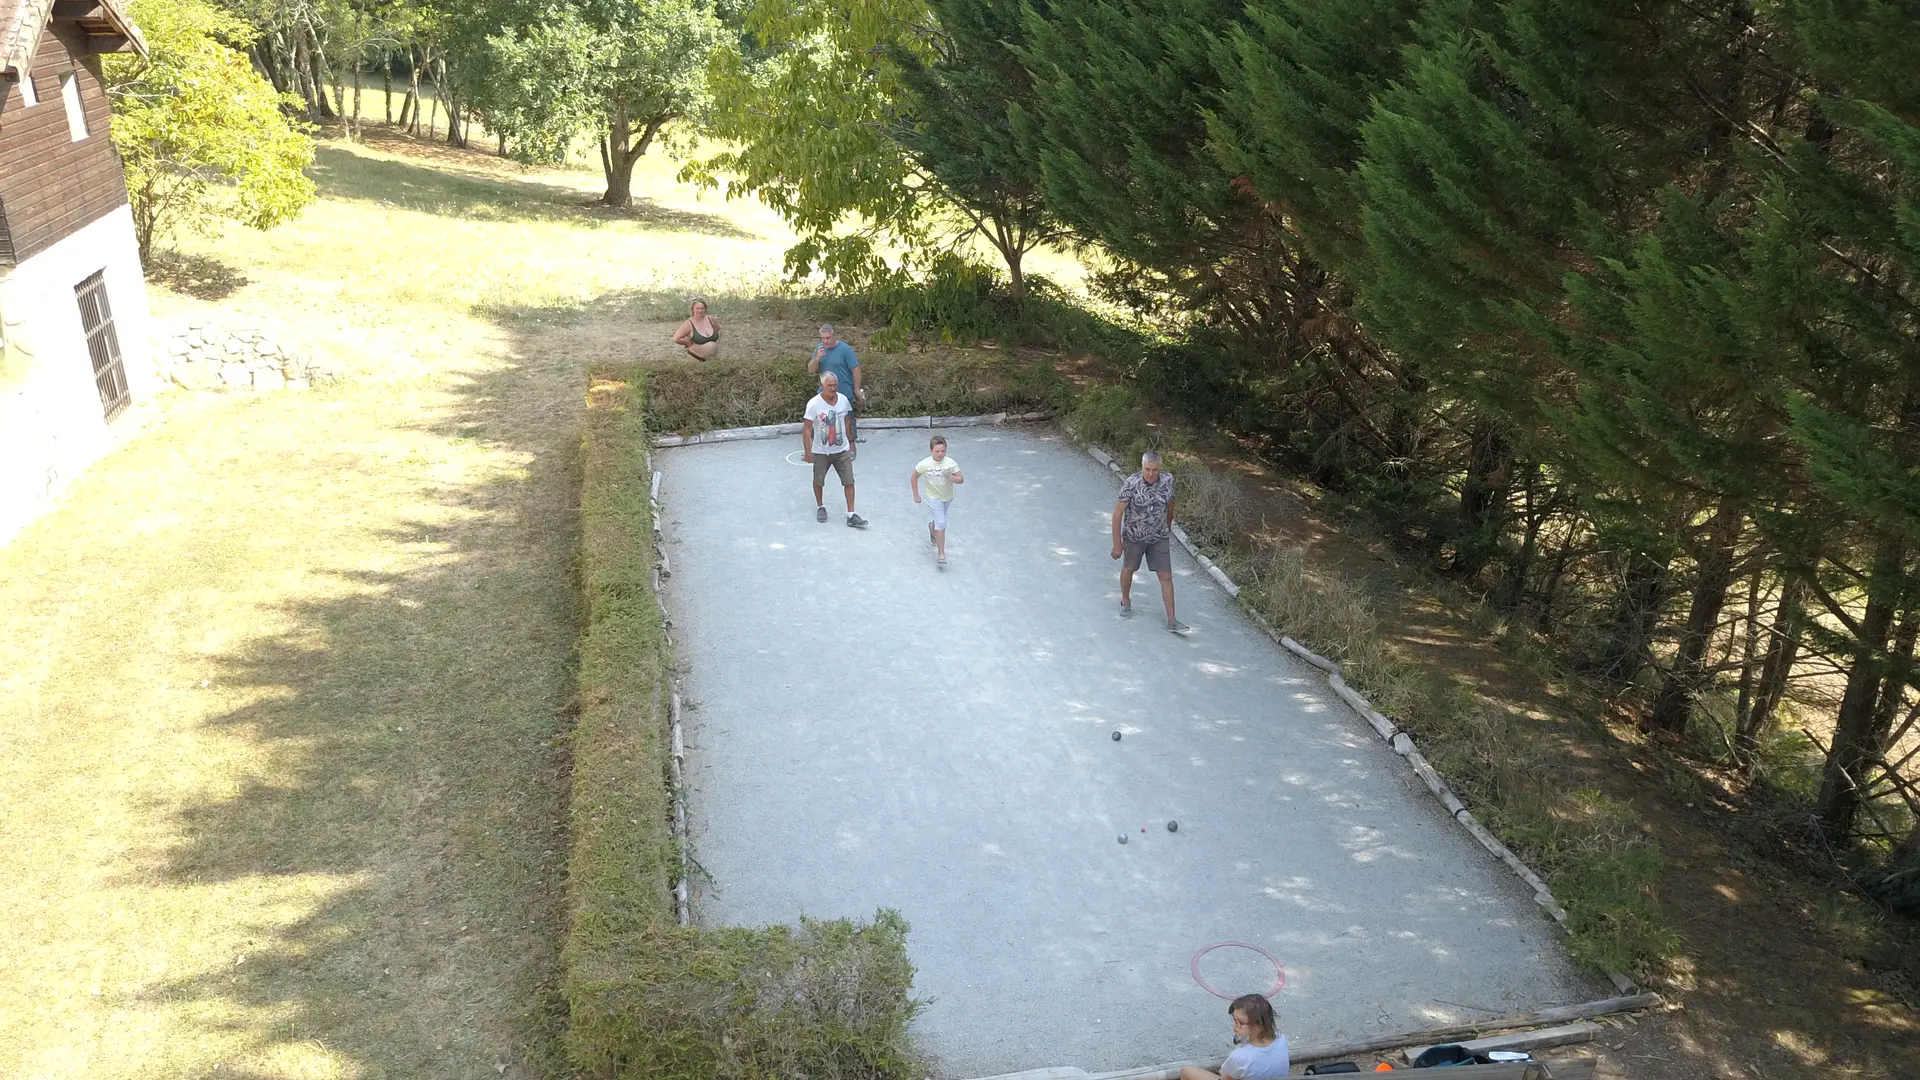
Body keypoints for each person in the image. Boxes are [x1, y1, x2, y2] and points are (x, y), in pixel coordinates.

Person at [1111, 450, 1188, 633]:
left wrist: (1168, 526)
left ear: (1160, 468)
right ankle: (1125, 600)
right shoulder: (1131, 483)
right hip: (1134, 537)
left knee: (1166, 577)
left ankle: (1172, 620)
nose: (1151, 474)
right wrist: (1117, 544)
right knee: (1129, 569)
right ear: (1142, 467)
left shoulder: (1168, 480)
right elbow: (1117, 514)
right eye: (1147, 469)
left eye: (1154, 470)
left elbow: (1170, 505)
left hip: (1158, 538)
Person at [803, 372, 867, 528]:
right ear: (822, 386)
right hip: (821, 450)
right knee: (819, 480)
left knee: (849, 481)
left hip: (841, 449)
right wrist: (808, 451)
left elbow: (847, 422)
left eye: (834, 385)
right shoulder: (814, 404)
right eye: (829, 385)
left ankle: (851, 514)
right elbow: (806, 429)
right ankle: (820, 506)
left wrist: (852, 442)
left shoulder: (843, 400)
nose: (832, 388)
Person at [1180, 994, 1289, 1080]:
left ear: (1258, 1026)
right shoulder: (1281, 1039)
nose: (1234, 1024)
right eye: (1234, 1019)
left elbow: (1225, 1077)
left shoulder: (1240, 1057)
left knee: (1185, 1071)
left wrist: (1225, 1071)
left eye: (1239, 1022)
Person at [911, 435, 965, 566]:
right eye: (937, 451)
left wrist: (950, 477)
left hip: (947, 497)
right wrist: (916, 495)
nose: (940, 454)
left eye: (943, 451)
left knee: (938, 521)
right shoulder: (924, 464)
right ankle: (941, 554)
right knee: (942, 523)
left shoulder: (950, 463)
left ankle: (932, 527)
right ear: (931, 450)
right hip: (933, 497)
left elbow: (961, 479)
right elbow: (914, 477)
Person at [807, 323, 865, 442]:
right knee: (818, 417)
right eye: (822, 338)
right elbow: (811, 370)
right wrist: (817, 357)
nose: (825, 341)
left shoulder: (845, 349)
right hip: (824, 391)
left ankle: (851, 443)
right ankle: (815, 443)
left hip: (843, 389)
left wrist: (856, 389)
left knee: (847, 419)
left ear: (834, 336)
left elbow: (856, 368)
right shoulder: (820, 349)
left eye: (828, 338)